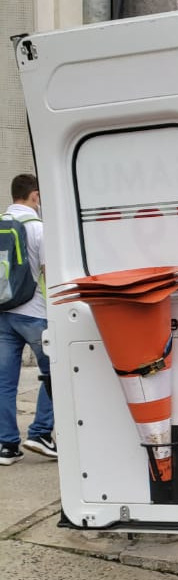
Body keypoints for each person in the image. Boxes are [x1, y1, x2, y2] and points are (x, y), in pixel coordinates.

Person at [0, 174, 56, 466]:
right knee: (54, 375)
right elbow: (50, 271)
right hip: (34, 314)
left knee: (4, 383)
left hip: (3, 314)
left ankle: (7, 445)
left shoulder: (1, 223)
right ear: (35, 195)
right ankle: (41, 433)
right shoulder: (38, 229)